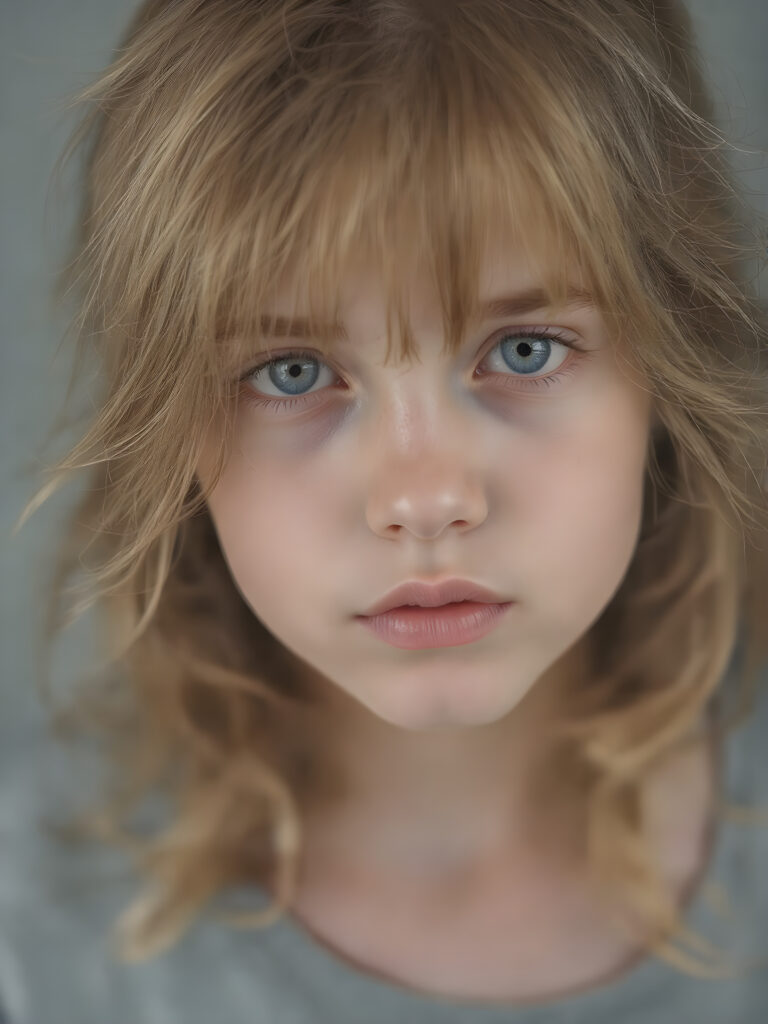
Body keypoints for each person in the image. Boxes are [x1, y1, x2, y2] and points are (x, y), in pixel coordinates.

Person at [7, 0, 768, 1020]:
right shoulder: (37, 914)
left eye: (524, 348)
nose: (424, 498)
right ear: (170, 420)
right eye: (293, 370)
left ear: (671, 361)